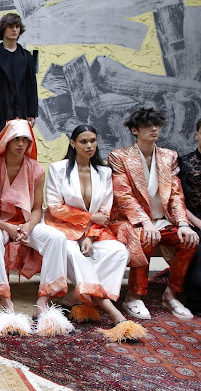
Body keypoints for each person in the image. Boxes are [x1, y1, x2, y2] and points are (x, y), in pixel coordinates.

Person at [0, 119, 71, 336]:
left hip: (27, 224)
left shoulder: (37, 170)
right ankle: (5, 299)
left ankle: (43, 300)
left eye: (25, 140)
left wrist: (28, 227)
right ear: (6, 142)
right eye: (16, 139)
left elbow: (38, 209)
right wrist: (8, 228)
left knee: (57, 238)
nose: (21, 144)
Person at [45, 125, 146, 342]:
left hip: (94, 232)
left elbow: (104, 211)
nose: (89, 145)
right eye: (83, 141)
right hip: (63, 229)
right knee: (74, 255)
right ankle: (110, 310)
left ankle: (77, 297)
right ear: (73, 144)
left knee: (119, 251)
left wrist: (90, 236)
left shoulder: (104, 172)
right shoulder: (58, 169)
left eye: (93, 141)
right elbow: (54, 207)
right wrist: (88, 220)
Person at [108, 108, 199, 320]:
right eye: (149, 126)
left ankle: (171, 295)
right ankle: (133, 296)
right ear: (134, 130)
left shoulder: (169, 157)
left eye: (157, 125)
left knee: (189, 240)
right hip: (129, 221)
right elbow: (124, 196)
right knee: (145, 238)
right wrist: (144, 222)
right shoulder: (119, 157)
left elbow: (176, 195)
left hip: (163, 220)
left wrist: (184, 224)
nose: (154, 129)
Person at [0, 13, 38, 143]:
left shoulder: (27, 57)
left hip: (22, 114)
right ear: (3, 28)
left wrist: (31, 114)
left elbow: (31, 86)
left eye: (17, 26)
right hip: (0, 116)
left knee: (21, 152)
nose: (14, 30)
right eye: (10, 26)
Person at [179, 118, 201, 316]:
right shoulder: (185, 163)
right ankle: (196, 300)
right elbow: (178, 202)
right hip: (192, 216)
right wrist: (197, 222)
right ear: (196, 135)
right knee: (197, 244)